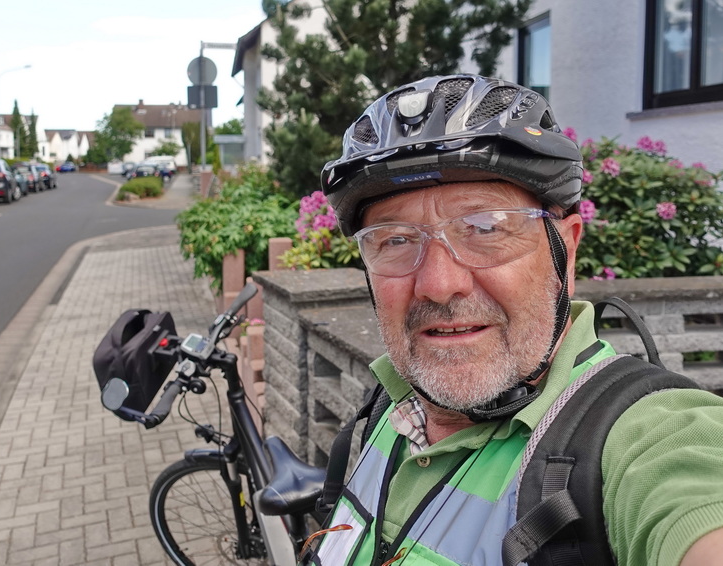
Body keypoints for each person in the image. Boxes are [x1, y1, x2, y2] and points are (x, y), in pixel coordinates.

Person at [307, 74, 723, 565]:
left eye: (485, 228)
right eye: (395, 240)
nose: (439, 284)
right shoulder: (394, 402)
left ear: (564, 251)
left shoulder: (644, 437)